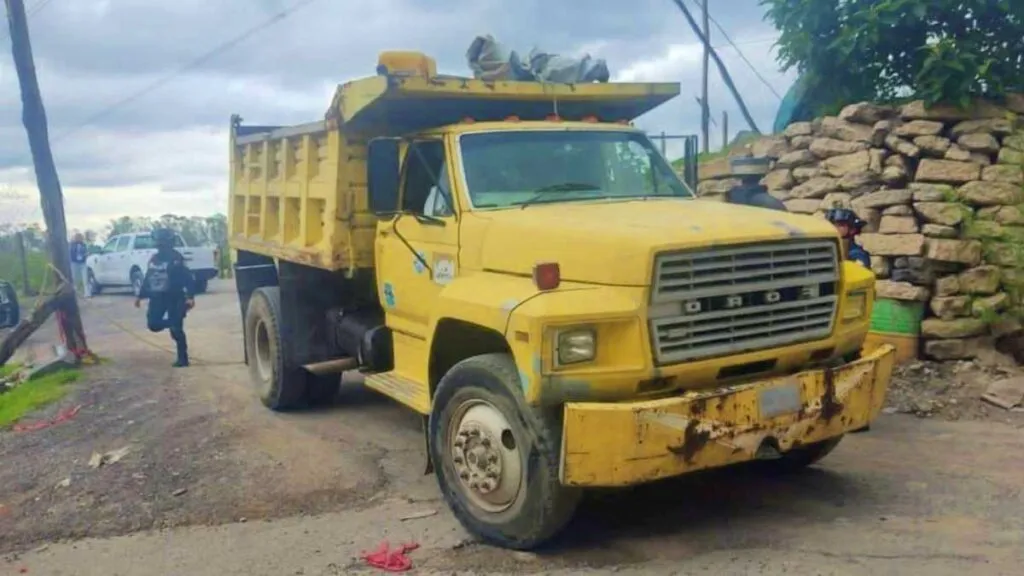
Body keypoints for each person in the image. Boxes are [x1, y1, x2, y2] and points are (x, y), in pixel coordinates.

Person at [134, 228, 195, 367]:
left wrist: (190, 296)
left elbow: (188, 278)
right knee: (153, 324)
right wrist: (140, 296)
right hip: (157, 297)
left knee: (177, 331)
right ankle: (172, 322)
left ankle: (183, 359)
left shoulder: (176, 258)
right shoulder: (154, 259)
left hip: (175, 297)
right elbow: (149, 277)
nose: (160, 245)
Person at [69, 233, 89, 298]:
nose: (80, 239)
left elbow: (86, 251)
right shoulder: (72, 244)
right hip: (74, 263)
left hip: (82, 262)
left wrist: (85, 255)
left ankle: (87, 293)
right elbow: (70, 252)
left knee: (85, 278)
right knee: (75, 278)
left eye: (80, 237)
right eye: (78, 237)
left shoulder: (84, 245)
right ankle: (75, 293)